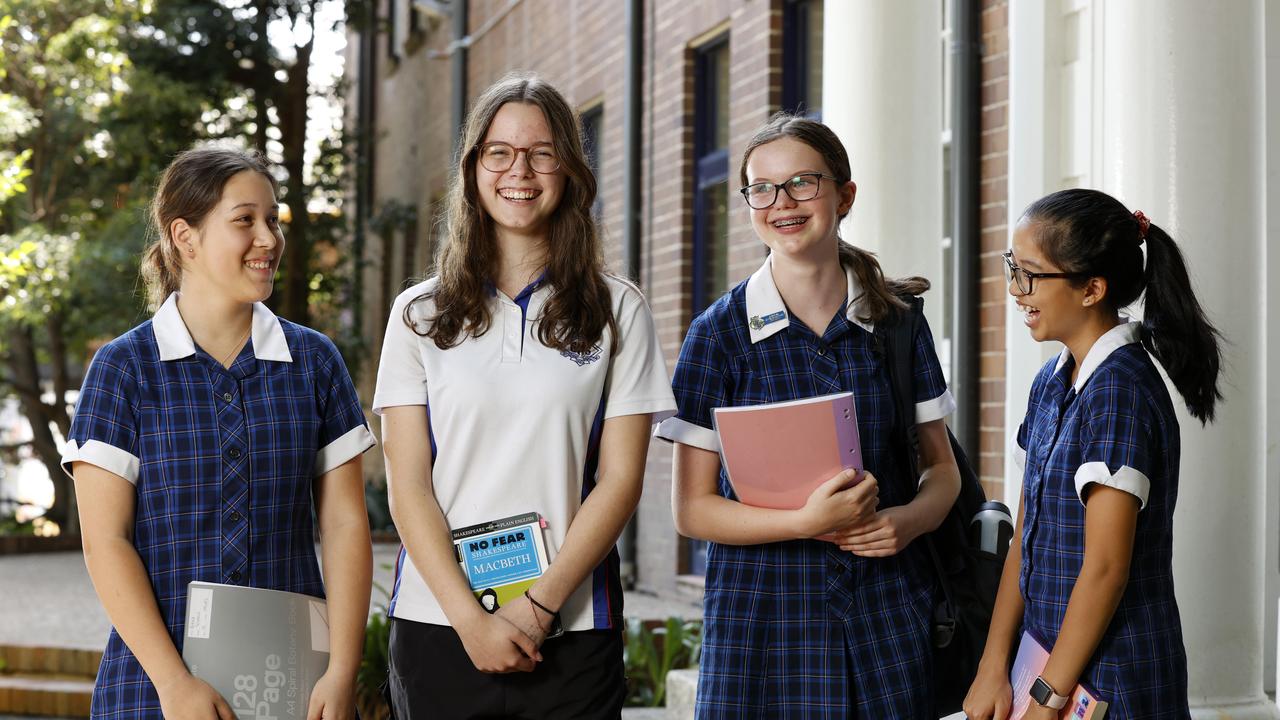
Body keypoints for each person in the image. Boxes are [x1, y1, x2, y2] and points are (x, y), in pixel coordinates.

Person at [373, 73, 676, 720]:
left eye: (542, 152)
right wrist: (471, 619)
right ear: (474, 168)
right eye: (499, 152)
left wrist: (539, 607)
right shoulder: (419, 314)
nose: (521, 170)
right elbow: (409, 487)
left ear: (568, 170)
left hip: (572, 625)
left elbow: (620, 482)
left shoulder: (617, 309)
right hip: (438, 622)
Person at [655, 112, 961, 719]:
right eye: (761, 189)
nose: (781, 203)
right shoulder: (717, 335)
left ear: (844, 195)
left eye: (803, 182)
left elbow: (943, 473)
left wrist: (908, 521)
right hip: (763, 629)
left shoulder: (898, 322)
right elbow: (691, 511)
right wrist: (805, 521)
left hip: (887, 620)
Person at [64, 145, 376, 720]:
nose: (269, 238)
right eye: (244, 221)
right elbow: (105, 542)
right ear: (185, 237)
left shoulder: (314, 363)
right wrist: (175, 683)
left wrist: (341, 669)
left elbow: (344, 523)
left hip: (296, 690)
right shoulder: (123, 369)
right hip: (154, 689)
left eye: (272, 220)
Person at [963, 188, 1222, 720]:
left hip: (1113, 680)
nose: (1014, 289)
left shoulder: (1120, 392)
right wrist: (993, 665)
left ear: (1092, 289)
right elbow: (1026, 536)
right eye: (1012, 268)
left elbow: (1106, 568)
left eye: (1029, 274)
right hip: (1045, 663)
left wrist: (1047, 698)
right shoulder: (1050, 381)